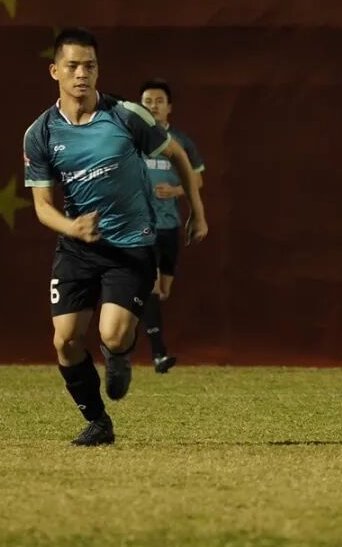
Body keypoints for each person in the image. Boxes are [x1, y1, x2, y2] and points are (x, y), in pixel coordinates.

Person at [23, 28, 208, 446]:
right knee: (66, 341)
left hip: (132, 245)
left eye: (89, 66)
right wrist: (72, 227)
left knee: (113, 335)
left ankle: (119, 353)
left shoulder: (125, 115)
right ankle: (98, 422)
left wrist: (197, 213)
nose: (81, 74)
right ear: (55, 71)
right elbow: (42, 206)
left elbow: (177, 155)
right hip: (78, 247)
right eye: (72, 66)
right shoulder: (41, 133)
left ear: (98, 70)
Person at [139, 78, 205, 374]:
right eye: (147, 102)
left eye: (158, 101)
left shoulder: (180, 142)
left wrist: (177, 191)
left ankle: (138, 318)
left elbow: (198, 179)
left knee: (162, 290)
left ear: (169, 108)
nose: (153, 106)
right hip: (142, 226)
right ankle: (159, 354)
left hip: (170, 226)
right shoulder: (133, 140)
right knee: (150, 284)